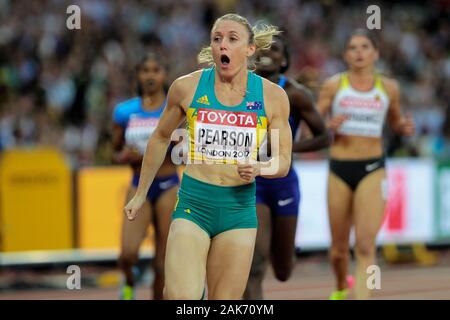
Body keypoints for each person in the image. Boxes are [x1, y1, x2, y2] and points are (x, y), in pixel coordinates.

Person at [124, 13, 292, 300]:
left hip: (238, 212)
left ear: (250, 49)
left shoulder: (272, 97)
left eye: (232, 39)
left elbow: (283, 160)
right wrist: (141, 193)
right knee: (180, 298)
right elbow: (161, 137)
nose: (222, 45)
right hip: (194, 204)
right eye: (217, 39)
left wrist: (260, 167)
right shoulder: (186, 87)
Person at [317, 29, 415, 300]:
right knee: (338, 249)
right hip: (339, 168)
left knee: (364, 245)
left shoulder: (389, 88)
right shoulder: (334, 85)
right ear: (346, 55)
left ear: (375, 53)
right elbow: (314, 124)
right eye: (352, 47)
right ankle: (340, 287)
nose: (358, 52)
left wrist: (402, 127)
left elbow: (395, 122)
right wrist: (328, 126)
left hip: (373, 168)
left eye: (364, 47)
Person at [244, 34, 329, 300]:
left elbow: (324, 137)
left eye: (276, 49)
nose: (269, 52)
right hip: (251, 181)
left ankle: (285, 247)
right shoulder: (238, 90)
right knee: (254, 262)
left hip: (283, 182)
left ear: (285, 61)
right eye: (263, 48)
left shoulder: (295, 94)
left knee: (282, 270)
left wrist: (288, 149)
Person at [112, 53, 179, 300]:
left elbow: (185, 150)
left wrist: (164, 149)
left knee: (163, 264)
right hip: (138, 184)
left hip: (169, 184)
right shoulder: (124, 111)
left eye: (156, 70)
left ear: (164, 75)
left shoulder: (175, 109)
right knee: (127, 254)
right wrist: (123, 157)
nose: (150, 75)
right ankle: (129, 281)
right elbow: (113, 152)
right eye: (145, 70)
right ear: (138, 76)